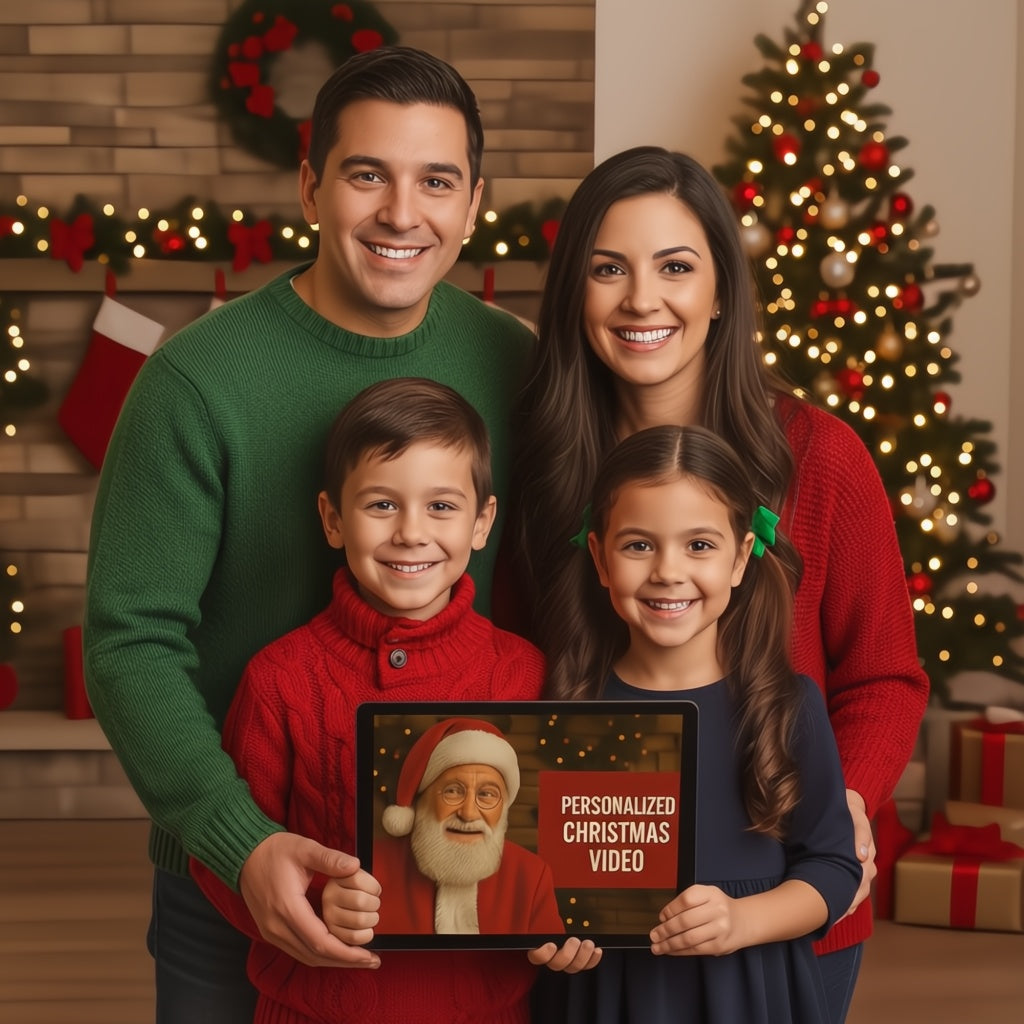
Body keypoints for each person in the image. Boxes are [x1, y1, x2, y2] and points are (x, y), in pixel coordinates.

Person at [83, 46, 538, 1023]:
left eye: (436, 181)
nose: (401, 212)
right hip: (236, 865)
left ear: (472, 204)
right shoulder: (194, 381)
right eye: (367, 174)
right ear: (310, 186)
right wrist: (235, 838)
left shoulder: (522, 368)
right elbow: (131, 641)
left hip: (465, 883)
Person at [510, 147, 930, 1021]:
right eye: (607, 269)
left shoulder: (820, 457)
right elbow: (515, 678)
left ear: (721, 293)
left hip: (777, 921)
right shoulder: (538, 467)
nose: (641, 300)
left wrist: (835, 798)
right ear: (572, 295)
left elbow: (886, 676)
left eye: (676, 267)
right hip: (599, 938)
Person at [189, 378, 598, 1024]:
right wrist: (312, 904)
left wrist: (574, 928)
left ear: (482, 522)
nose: (411, 533)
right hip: (316, 1010)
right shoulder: (279, 678)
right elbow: (227, 856)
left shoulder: (525, 672)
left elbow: (562, 859)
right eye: (381, 505)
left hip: (487, 1011)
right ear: (332, 518)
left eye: (441, 507)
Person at [542, 423, 862, 1021]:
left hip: (749, 992)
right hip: (605, 995)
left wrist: (742, 920)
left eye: (699, 546)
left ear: (741, 557)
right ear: (600, 558)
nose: (667, 571)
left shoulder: (787, 705)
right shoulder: (564, 707)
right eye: (638, 545)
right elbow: (531, 878)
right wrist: (541, 934)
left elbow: (834, 867)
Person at [375, 716, 565, 936]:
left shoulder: (531, 874)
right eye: (453, 791)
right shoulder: (374, 866)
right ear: (422, 798)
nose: (468, 813)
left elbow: (551, 964)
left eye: (486, 795)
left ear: (503, 808)